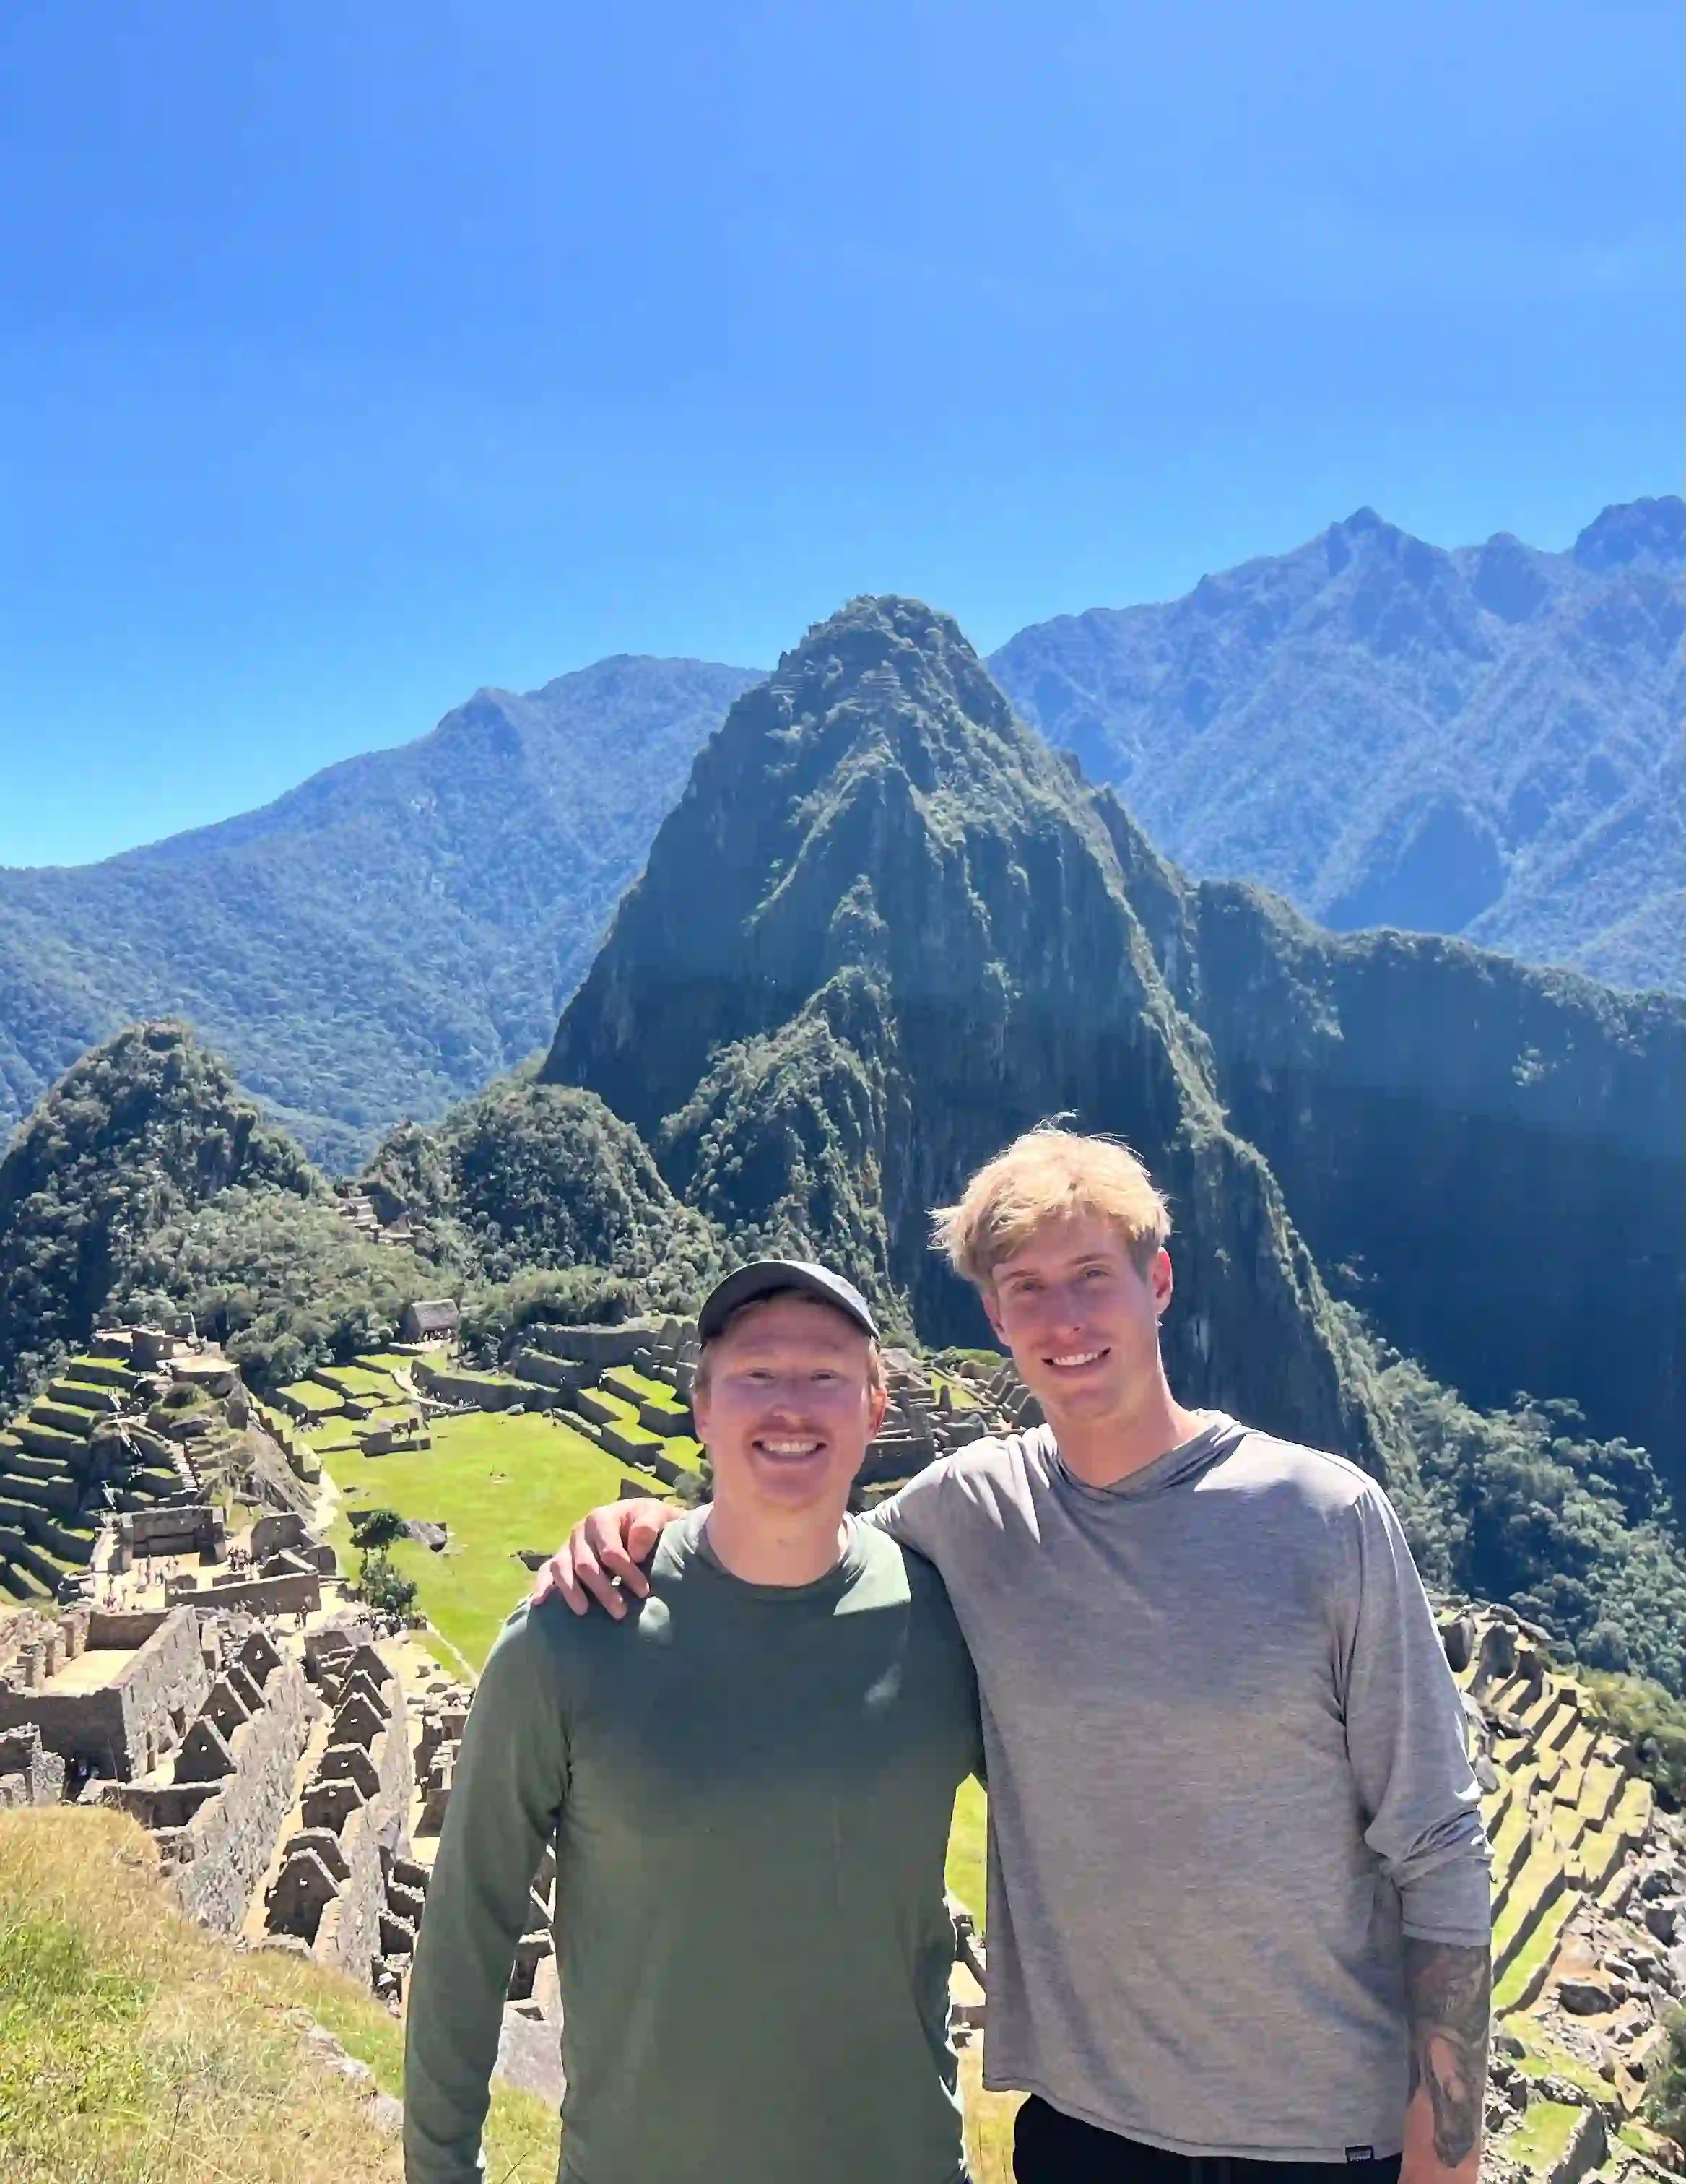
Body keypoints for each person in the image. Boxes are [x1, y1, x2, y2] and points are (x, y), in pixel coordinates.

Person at [536, 1126, 1492, 2184]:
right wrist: (648, 1530)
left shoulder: (1321, 1517)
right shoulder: (968, 1512)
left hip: (1319, 2139)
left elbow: (1436, 1836)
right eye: (1026, 1288)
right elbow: (795, 1548)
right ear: (993, 1316)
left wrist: (1445, 2151)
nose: (1065, 1319)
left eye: (1092, 1276)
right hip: (1084, 2134)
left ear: (1157, 1282)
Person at [404, 1259, 983, 2184]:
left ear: (876, 1410)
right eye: (755, 1373)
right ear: (702, 1404)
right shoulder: (571, 1635)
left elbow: (1087, 1834)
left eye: (826, 1377)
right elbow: (468, 1922)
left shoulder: (949, 1624)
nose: (789, 1406)